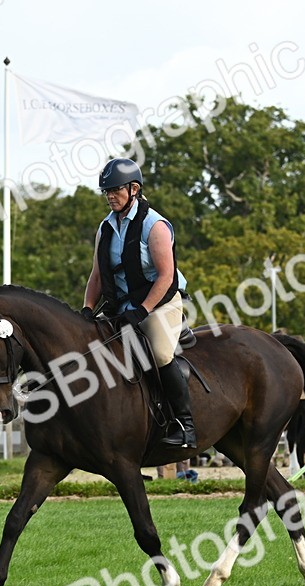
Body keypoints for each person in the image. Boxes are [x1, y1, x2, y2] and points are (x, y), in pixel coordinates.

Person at [82, 157, 194, 448]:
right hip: (122, 306)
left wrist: (142, 310)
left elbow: (166, 276)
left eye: (115, 190)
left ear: (134, 189)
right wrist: (86, 309)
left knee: (158, 353)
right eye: (106, 191)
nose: (109, 196)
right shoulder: (105, 228)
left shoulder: (154, 226)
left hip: (160, 303)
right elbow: (97, 275)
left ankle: (185, 425)